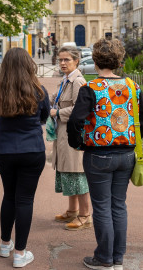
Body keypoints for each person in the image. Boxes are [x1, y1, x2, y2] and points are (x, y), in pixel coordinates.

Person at [68, 38, 143, 270]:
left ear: (95, 60)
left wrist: (77, 143)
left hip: (99, 154)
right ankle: (117, 258)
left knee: (102, 206)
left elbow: (76, 120)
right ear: (119, 60)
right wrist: (132, 138)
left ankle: (104, 258)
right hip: (126, 154)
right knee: (119, 205)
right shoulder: (132, 86)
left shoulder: (91, 88)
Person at [0, 47, 51, 268]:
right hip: (32, 149)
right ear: (29, 65)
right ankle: (20, 253)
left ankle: (5, 244)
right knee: (25, 200)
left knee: (8, 196)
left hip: (5, 151)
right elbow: (45, 115)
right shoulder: (38, 90)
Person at [50, 46, 91, 230]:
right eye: (60, 60)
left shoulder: (78, 82)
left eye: (66, 60)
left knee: (77, 173)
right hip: (63, 132)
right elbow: (55, 98)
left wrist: (57, 112)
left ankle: (85, 215)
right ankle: (72, 210)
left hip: (72, 133)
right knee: (68, 171)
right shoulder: (66, 80)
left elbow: (78, 109)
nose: (62, 63)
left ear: (76, 61)